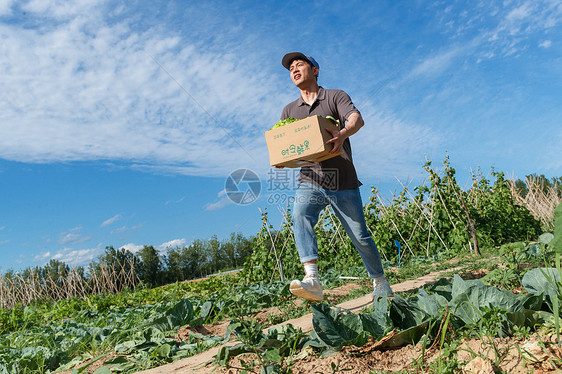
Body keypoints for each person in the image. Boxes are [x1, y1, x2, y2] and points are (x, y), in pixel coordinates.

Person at [279, 52, 393, 302]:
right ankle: (312, 279)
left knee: (360, 236)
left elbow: (356, 118)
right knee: (300, 214)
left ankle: (380, 280)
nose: (294, 70)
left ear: (315, 70)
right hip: (311, 178)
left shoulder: (334, 96)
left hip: (342, 178)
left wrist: (342, 134)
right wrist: (282, 158)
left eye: (300, 65)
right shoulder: (289, 110)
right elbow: (285, 142)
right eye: (291, 69)